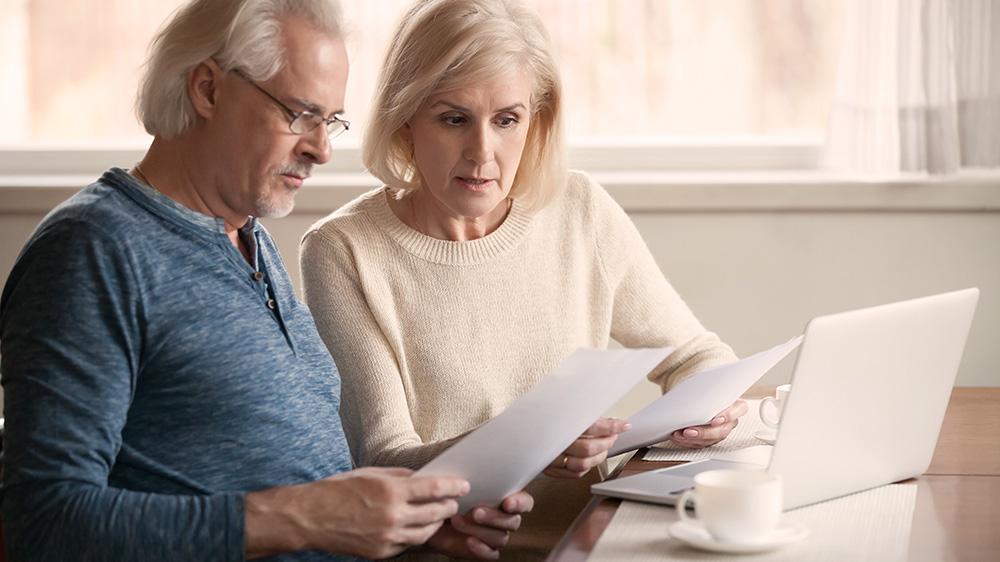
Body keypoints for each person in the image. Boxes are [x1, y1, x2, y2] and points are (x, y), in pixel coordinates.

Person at [0, 1, 532, 560]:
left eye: (330, 121)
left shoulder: (247, 237)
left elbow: (279, 479)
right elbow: (43, 524)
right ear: (207, 89)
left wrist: (408, 527)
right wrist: (303, 518)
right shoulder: (92, 251)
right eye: (300, 115)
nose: (321, 149)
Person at [299, 0, 747, 558]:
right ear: (406, 120)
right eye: (453, 118)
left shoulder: (580, 209)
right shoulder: (342, 249)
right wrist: (530, 444)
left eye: (506, 120)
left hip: (588, 542)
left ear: (535, 122)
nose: (482, 153)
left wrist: (712, 408)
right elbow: (387, 459)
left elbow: (698, 356)